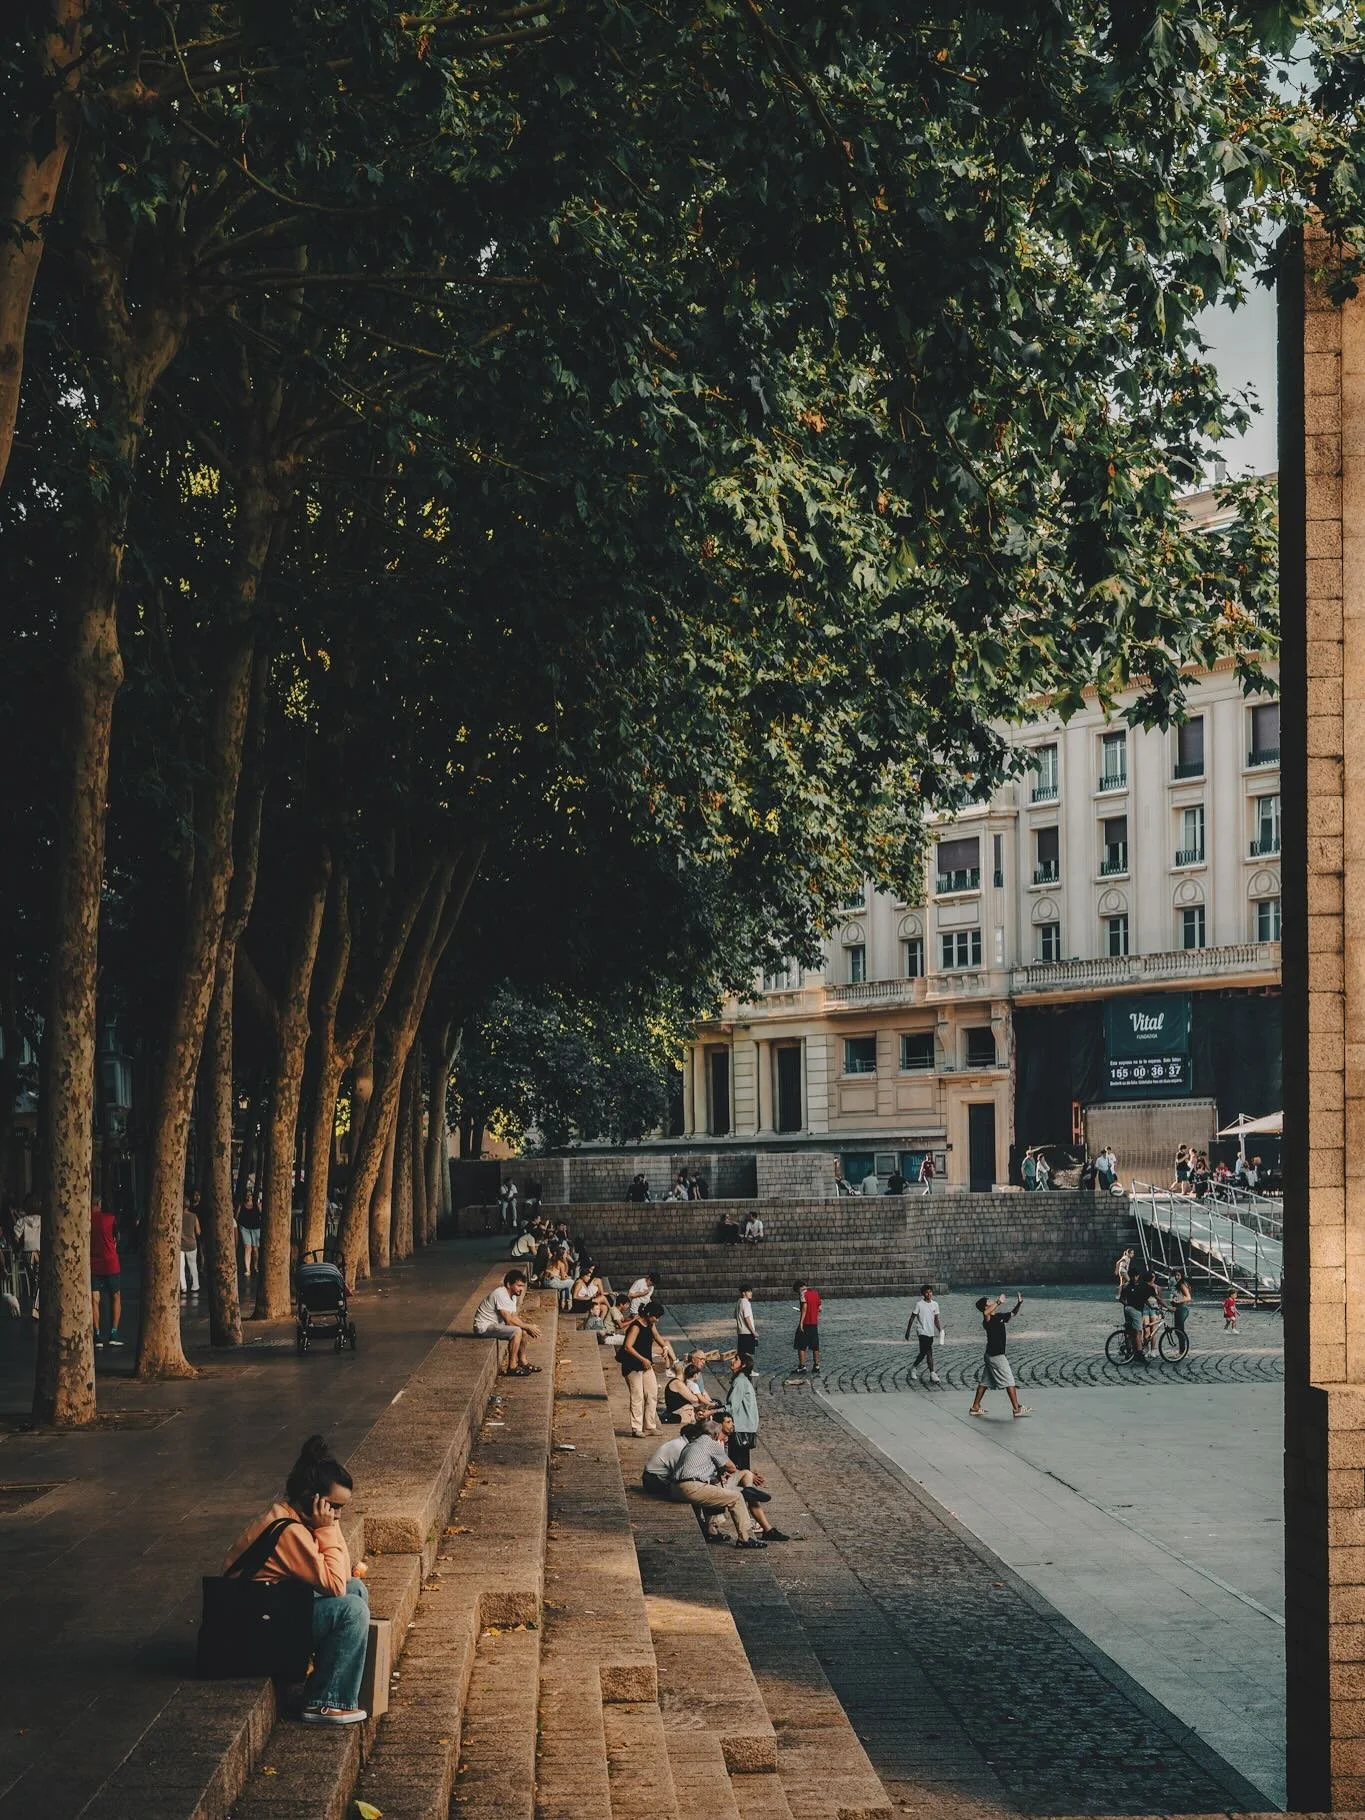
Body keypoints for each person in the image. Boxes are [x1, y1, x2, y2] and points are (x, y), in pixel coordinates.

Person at [223, 1435, 371, 1725]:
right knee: (352, 1610)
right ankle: (326, 1702)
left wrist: (329, 1525)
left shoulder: (287, 1513)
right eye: (333, 1506)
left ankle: (332, 1685)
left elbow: (341, 1578)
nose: (337, 1515)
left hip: (263, 1611)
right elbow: (335, 1584)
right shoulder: (292, 1533)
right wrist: (328, 1529)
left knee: (357, 1589)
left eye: (341, 1508)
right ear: (311, 1497)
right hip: (251, 1630)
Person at [670, 1420, 765, 1548]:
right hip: (692, 1488)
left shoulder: (691, 1444)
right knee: (736, 1498)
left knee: (715, 1490)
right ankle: (745, 1538)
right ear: (715, 1434)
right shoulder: (711, 1444)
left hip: (675, 1488)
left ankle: (711, 1531)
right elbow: (730, 1467)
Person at [968, 1293, 1032, 1418]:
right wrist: (998, 1302)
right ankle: (1016, 1409)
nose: (992, 1301)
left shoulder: (998, 1316)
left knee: (985, 1382)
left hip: (991, 1355)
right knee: (1010, 1381)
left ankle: (975, 1407)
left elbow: (1013, 1313)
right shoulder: (987, 1320)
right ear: (986, 1306)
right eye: (989, 1301)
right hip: (996, 1356)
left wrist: (1019, 1303)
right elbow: (986, 1313)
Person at [473, 1269, 542, 1373]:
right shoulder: (500, 1294)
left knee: (522, 1331)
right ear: (509, 1284)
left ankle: (523, 1362)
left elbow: (514, 1316)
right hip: (484, 1327)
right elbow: (509, 1321)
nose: (521, 1289)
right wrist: (528, 1326)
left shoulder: (513, 1296)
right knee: (517, 1331)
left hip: (494, 1325)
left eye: (523, 1286)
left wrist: (526, 1327)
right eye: (519, 1285)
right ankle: (512, 1367)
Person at [619, 1299, 664, 1438]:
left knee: (652, 1393)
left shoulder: (650, 1324)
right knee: (637, 1395)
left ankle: (650, 1426)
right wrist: (642, 1359)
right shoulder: (636, 1326)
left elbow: (656, 1336)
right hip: (633, 1365)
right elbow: (628, 1346)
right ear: (649, 1314)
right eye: (655, 1317)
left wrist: (665, 1347)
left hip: (646, 1365)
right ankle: (636, 1427)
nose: (657, 1320)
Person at [91, 1196, 123, 1350]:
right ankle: (114, 1332)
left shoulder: (86, 1220)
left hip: (92, 1263)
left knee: (94, 1299)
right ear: (99, 1204)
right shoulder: (111, 1219)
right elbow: (117, 1238)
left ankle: (96, 1333)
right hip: (111, 1262)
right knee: (115, 1296)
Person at [905, 1283, 942, 1385]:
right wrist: (908, 1331)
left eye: (930, 1292)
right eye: (926, 1292)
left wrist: (940, 1330)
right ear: (923, 1294)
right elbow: (912, 1317)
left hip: (930, 1331)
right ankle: (931, 1373)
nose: (929, 1294)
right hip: (921, 1331)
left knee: (925, 1352)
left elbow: (936, 1319)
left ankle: (915, 1367)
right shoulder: (919, 1304)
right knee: (927, 1351)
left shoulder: (935, 1304)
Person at [663, 1358, 716, 1423]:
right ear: (683, 1370)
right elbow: (694, 1399)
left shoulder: (681, 1382)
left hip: (683, 1412)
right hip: (681, 1414)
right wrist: (700, 1395)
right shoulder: (678, 1383)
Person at [793, 1280, 822, 1375]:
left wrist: (801, 1323)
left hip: (805, 1323)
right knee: (815, 1346)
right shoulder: (815, 1293)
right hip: (814, 1323)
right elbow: (820, 1308)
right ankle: (816, 1365)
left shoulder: (803, 1294)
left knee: (801, 1345)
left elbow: (804, 1308)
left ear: (799, 1288)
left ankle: (802, 1366)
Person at [19, 1194, 41, 1319]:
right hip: (40, 1251)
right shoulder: (43, 1219)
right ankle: (36, 1308)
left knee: (32, 1280)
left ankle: (34, 1305)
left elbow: (16, 1236)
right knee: (39, 1279)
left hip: (27, 1252)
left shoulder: (22, 1220)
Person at [179, 1190, 201, 1297]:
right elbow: (198, 1231)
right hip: (192, 1244)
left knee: (181, 1266)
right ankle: (195, 1285)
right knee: (193, 1265)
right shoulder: (194, 1216)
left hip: (180, 1245)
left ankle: (183, 1286)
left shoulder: (177, 1217)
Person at [237, 1190, 262, 1282]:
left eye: (250, 1195)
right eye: (247, 1195)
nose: (248, 1197)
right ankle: (248, 1269)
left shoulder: (256, 1205)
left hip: (256, 1228)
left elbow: (261, 1214)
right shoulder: (241, 1206)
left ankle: (255, 1266)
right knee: (248, 1248)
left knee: (255, 1249)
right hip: (245, 1228)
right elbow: (237, 1217)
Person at [735, 1284, 758, 1361]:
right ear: (744, 1293)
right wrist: (753, 1331)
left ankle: (744, 1369)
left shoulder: (739, 1302)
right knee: (748, 1353)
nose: (751, 1293)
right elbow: (747, 1318)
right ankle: (749, 1370)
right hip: (747, 1332)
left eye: (751, 1291)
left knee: (742, 1352)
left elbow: (735, 1315)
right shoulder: (746, 1303)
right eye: (749, 1291)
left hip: (740, 1331)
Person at [1170, 1274, 1193, 1347]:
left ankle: (1182, 1351)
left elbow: (1188, 1297)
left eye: (1179, 1275)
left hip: (1181, 1308)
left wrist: (1178, 1301)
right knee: (1178, 1331)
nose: (1176, 1277)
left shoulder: (1182, 1284)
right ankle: (1182, 1350)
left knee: (1179, 1331)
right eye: (1175, 1275)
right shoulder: (1179, 1284)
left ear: (1182, 1276)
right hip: (1179, 1308)